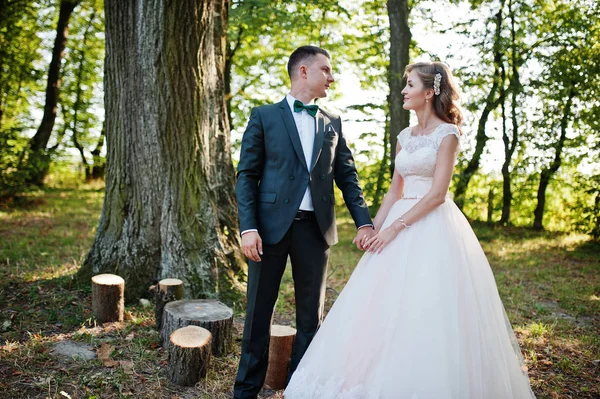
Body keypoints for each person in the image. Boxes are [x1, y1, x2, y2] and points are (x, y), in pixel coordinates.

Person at [284, 62, 536, 398]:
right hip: (397, 220)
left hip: (432, 224)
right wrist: (373, 227)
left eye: (411, 84)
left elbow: (437, 194)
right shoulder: (404, 136)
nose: (404, 90)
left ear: (429, 92)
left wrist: (395, 229)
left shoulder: (448, 134)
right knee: (378, 305)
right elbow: (393, 191)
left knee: (427, 304)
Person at [233, 45, 375, 399]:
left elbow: (348, 176)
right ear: (304, 72)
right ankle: (245, 391)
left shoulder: (333, 121)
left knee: (311, 320)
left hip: (316, 231)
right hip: (268, 231)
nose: (332, 77)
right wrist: (248, 228)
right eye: (326, 69)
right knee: (257, 316)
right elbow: (246, 176)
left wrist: (365, 223)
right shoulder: (264, 116)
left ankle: (300, 390)